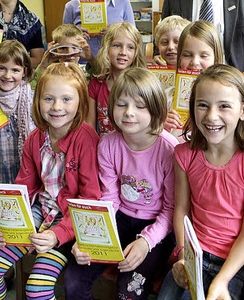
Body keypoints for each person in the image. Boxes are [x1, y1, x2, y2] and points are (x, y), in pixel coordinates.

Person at [0, 63, 102, 300]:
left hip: (70, 223)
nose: (56, 107)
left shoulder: (86, 138)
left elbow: (90, 199)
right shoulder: (35, 139)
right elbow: (22, 187)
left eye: (66, 99)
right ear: (38, 101)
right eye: (48, 99)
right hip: (38, 212)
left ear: (80, 103)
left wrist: (57, 234)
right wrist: (5, 226)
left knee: (37, 289)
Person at [157, 64, 244, 300]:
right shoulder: (183, 155)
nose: (211, 116)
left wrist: (222, 280)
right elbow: (181, 210)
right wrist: (182, 256)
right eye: (203, 105)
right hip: (192, 256)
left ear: (243, 110)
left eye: (224, 106)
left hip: (232, 264)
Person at [65, 67, 178, 299]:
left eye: (140, 106)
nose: (129, 113)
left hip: (157, 227)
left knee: (129, 289)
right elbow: (109, 198)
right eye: (122, 104)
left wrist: (146, 242)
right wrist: (90, 237)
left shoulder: (169, 150)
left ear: (156, 109)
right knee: (73, 279)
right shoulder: (107, 144)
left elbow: (170, 210)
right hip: (118, 218)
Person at [0, 39, 36, 184]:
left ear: (24, 72)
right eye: (1, 68)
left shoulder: (32, 100)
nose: (8, 75)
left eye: (15, 70)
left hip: (26, 174)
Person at [164, 20, 226, 134]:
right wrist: (162, 125)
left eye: (204, 56)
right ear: (179, 58)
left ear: (216, 59)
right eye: (187, 55)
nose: (195, 62)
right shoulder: (167, 97)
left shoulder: (225, 99)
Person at [87, 22, 146, 137]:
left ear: (136, 52)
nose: (123, 52)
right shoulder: (96, 84)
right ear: (106, 48)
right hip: (104, 149)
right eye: (116, 45)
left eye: (130, 47)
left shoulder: (142, 85)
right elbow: (90, 125)